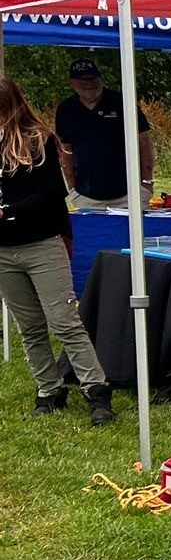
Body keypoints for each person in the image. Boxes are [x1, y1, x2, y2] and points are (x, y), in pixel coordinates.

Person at [0, 75, 115, 424]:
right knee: (29, 326)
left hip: (41, 244)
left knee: (65, 322)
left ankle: (96, 391)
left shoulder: (39, 140)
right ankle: (49, 389)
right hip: (3, 251)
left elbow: (52, 194)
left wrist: (9, 211)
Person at [53, 58, 152, 209]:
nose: (89, 84)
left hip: (129, 193)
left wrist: (146, 183)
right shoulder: (66, 109)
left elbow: (144, 143)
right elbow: (65, 150)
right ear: (71, 83)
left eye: (93, 78)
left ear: (100, 79)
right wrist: (72, 188)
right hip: (85, 195)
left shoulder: (122, 102)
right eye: (82, 80)